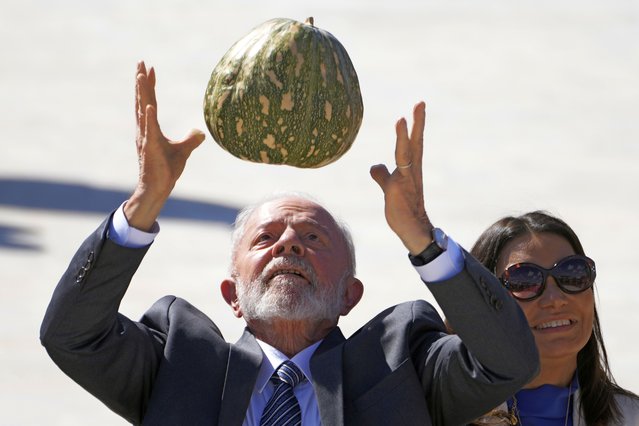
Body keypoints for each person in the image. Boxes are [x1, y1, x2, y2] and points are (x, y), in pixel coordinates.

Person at [40, 61, 539, 426]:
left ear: (350, 295)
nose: (288, 246)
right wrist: (142, 206)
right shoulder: (180, 360)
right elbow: (71, 335)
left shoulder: (399, 360)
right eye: (266, 237)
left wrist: (422, 239)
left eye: (312, 237)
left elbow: (507, 362)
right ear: (232, 295)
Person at [469, 211, 639, 425]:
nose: (556, 299)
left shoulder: (631, 417)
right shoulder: (435, 412)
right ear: (483, 302)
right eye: (524, 281)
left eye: (573, 274)